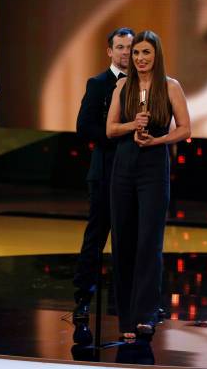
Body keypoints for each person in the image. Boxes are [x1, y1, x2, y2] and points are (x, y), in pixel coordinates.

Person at [106, 30, 191, 339]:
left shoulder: (170, 87)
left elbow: (185, 129)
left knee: (148, 242)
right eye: (136, 53)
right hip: (124, 166)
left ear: (156, 56)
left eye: (146, 53)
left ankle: (146, 315)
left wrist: (158, 139)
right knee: (124, 240)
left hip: (154, 166)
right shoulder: (121, 87)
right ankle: (126, 317)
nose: (140, 59)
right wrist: (133, 126)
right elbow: (110, 129)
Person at [73, 27, 134, 329]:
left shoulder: (143, 84)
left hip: (134, 174)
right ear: (110, 51)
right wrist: (119, 137)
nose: (125, 53)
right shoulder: (98, 84)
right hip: (105, 173)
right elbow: (84, 127)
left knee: (132, 240)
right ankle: (83, 298)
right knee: (96, 239)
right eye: (120, 47)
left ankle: (134, 303)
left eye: (130, 48)